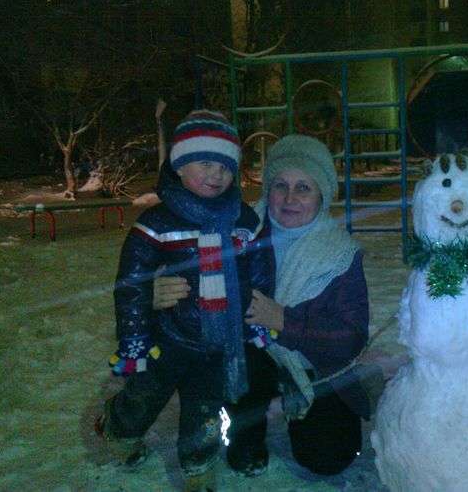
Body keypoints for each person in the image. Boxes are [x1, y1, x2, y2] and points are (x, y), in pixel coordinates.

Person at [154, 134, 372, 477]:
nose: (289, 198)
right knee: (244, 361)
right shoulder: (236, 230)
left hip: (315, 364)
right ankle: (245, 434)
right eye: (280, 185)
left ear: (323, 195)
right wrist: (161, 289)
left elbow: (351, 337)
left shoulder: (340, 254)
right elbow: (183, 264)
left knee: (330, 457)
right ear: (267, 188)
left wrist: (285, 321)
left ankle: (294, 395)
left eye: (303, 187)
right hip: (250, 355)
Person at [97, 110, 272, 491]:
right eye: (204, 163)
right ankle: (119, 429)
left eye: (225, 166)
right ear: (179, 167)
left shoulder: (244, 220)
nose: (216, 174)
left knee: (204, 412)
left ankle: (199, 469)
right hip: (166, 340)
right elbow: (132, 282)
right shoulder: (156, 224)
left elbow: (259, 270)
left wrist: (256, 317)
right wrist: (135, 339)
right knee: (143, 400)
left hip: (216, 342)